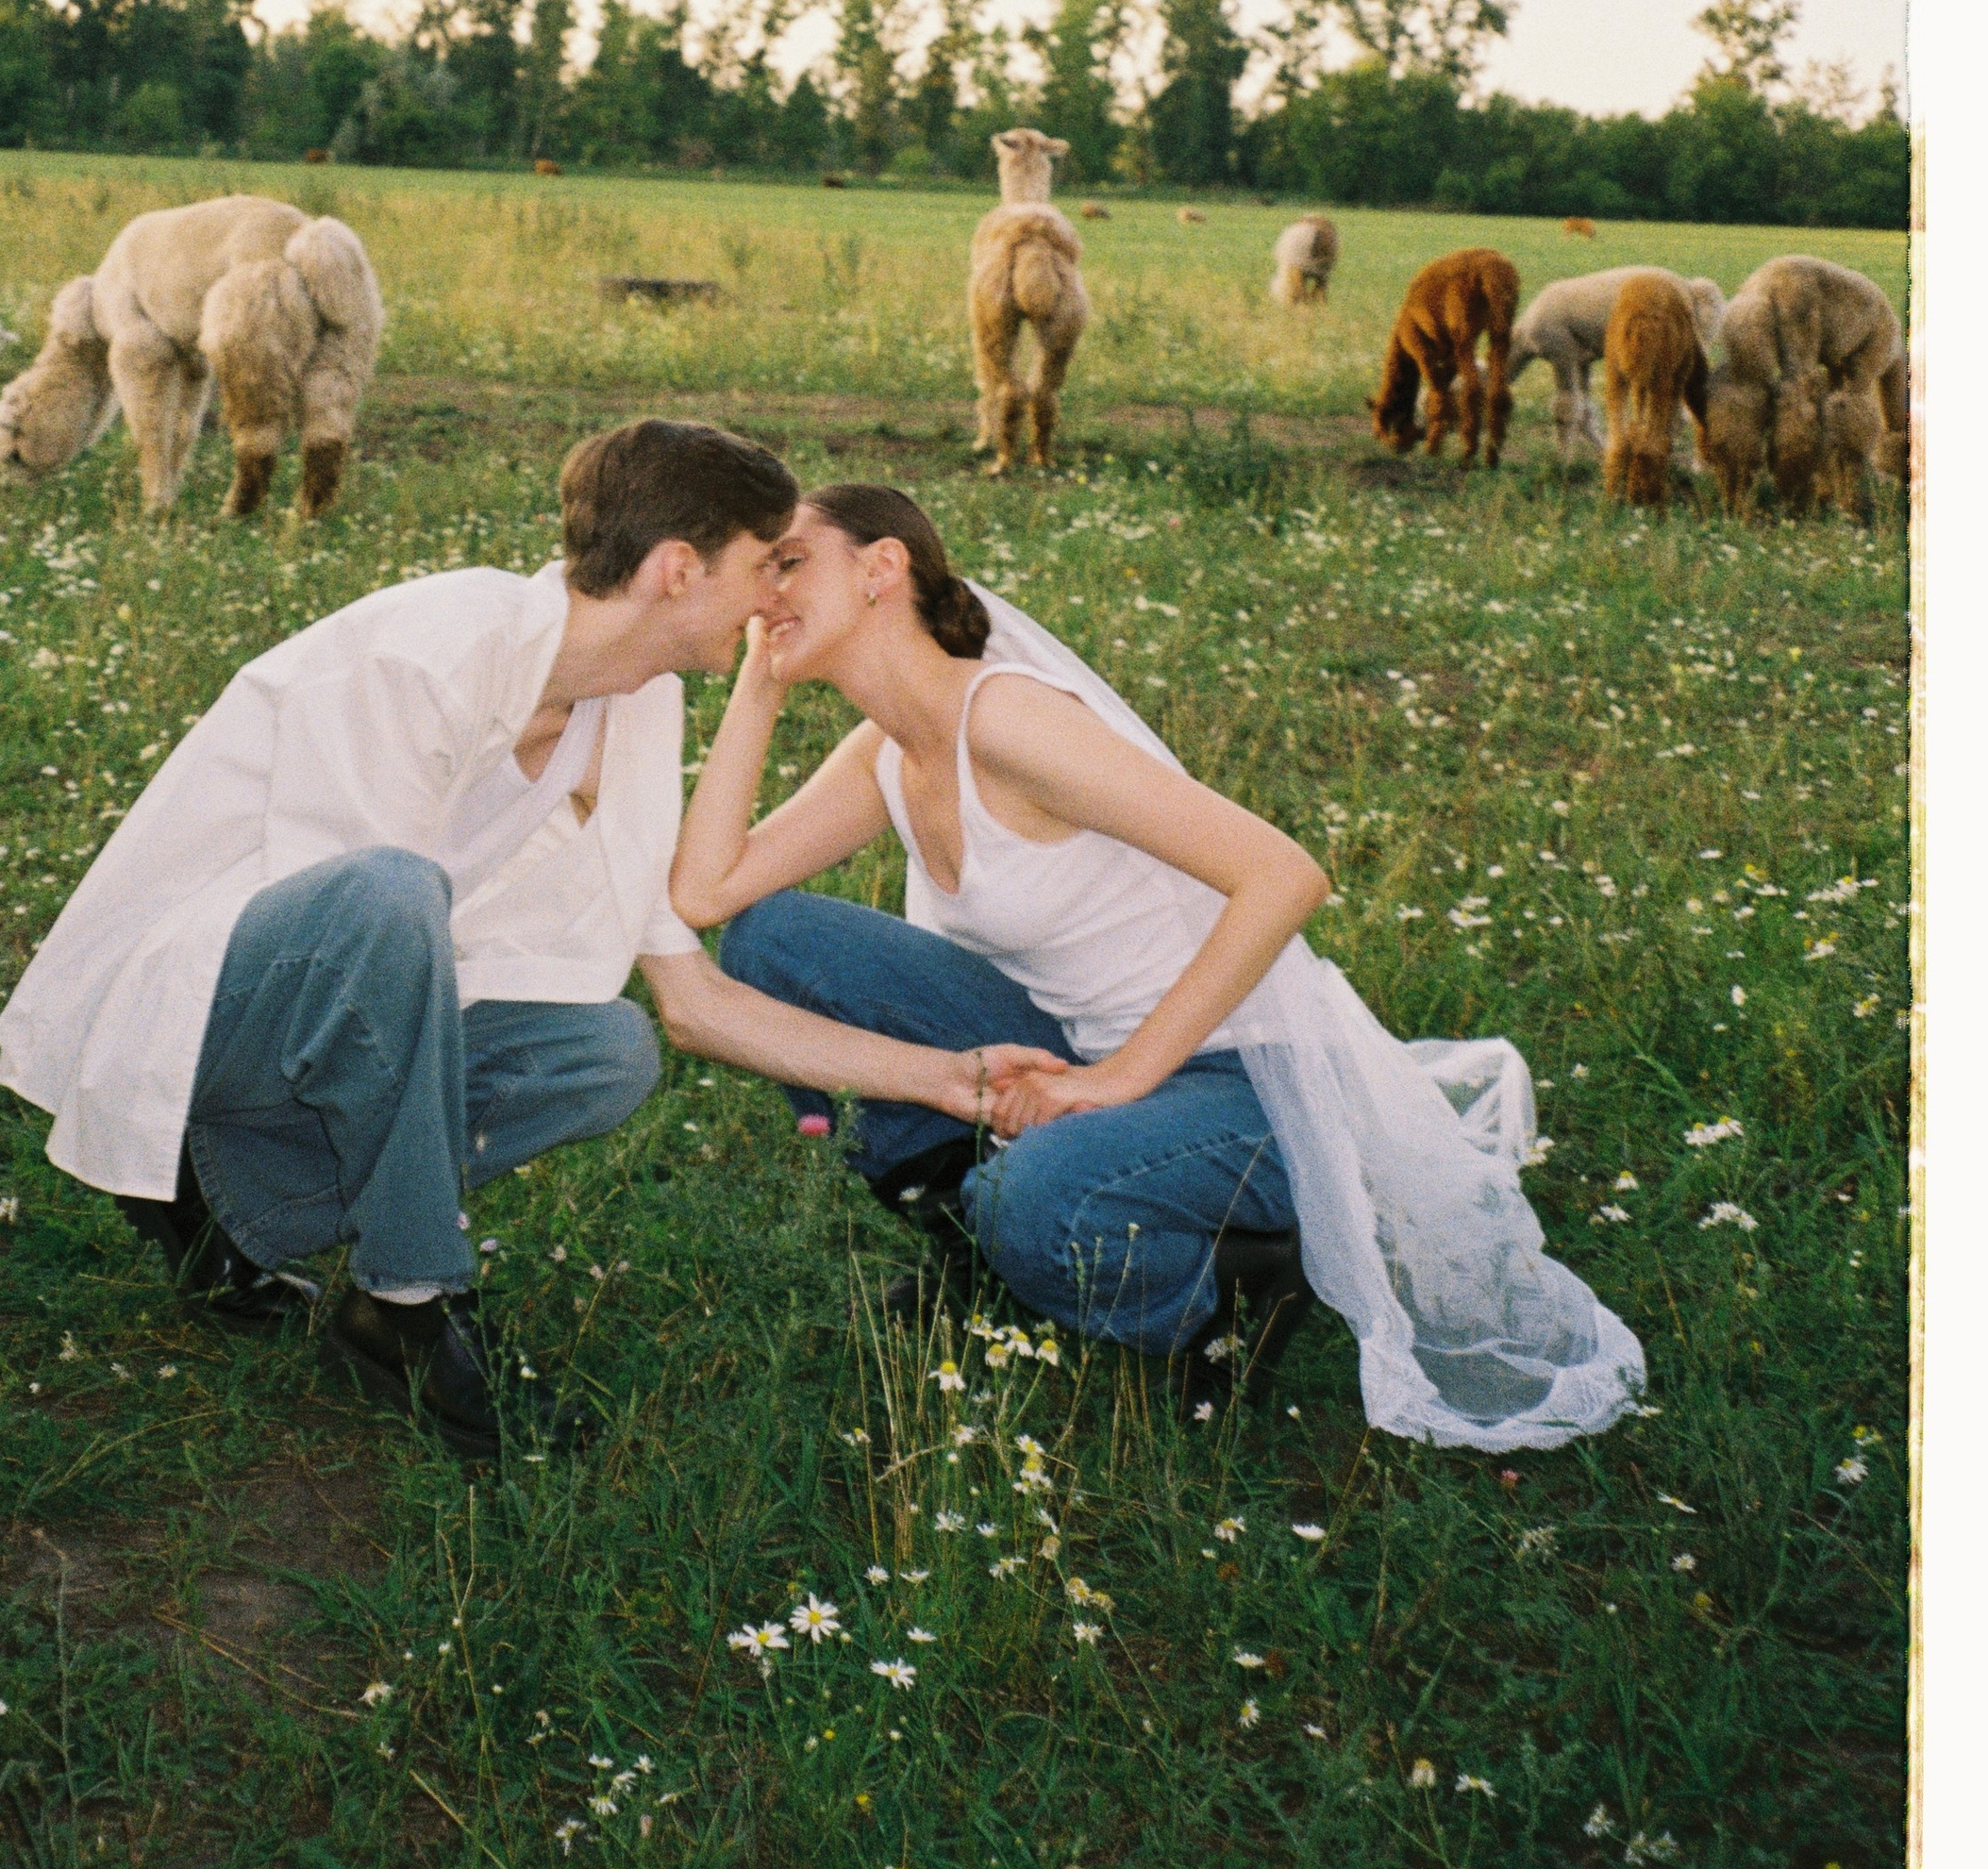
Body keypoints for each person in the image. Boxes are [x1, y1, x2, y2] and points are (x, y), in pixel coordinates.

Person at [662, 486, 1646, 1454]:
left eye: (790, 562)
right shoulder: (888, 746)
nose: (765, 590)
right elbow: (708, 894)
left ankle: (1223, 1289)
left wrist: (1119, 1079)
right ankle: (976, 1246)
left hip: (1241, 1076)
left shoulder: (1007, 721)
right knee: (767, 942)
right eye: (762, 574)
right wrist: (759, 681)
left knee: (1038, 1202)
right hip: (1069, 1036)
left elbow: (1282, 874)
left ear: (884, 568)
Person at [0, 418, 812, 1466]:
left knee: (607, 1052)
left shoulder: (632, 701)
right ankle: (408, 1306)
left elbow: (687, 996)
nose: (775, 597)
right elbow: (351, 931)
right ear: (677, 568)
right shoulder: (435, 647)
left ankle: (228, 1201)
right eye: (764, 566)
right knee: (388, 894)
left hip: (331, 1008)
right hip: (198, 997)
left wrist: (963, 1081)